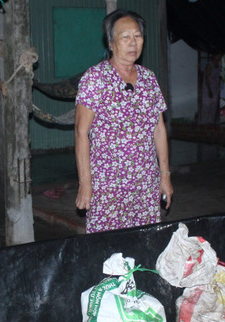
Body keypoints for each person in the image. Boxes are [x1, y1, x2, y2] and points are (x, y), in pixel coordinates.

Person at [74, 9, 173, 233]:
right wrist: (85, 183)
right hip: (107, 185)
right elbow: (81, 133)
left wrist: (164, 176)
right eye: (125, 37)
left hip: (145, 182)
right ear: (111, 43)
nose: (132, 43)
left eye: (137, 36)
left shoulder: (149, 78)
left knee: (144, 243)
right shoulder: (95, 78)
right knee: (108, 248)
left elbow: (159, 129)